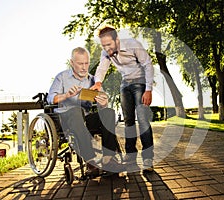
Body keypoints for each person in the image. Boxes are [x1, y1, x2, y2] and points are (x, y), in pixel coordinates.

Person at [47, 47, 123, 175]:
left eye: (86, 63)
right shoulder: (62, 77)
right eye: (80, 64)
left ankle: (108, 159)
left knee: (108, 112)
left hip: (85, 119)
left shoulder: (93, 80)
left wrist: (103, 102)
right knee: (76, 111)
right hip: (66, 118)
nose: (84, 67)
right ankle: (91, 161)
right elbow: (50, 98)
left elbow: (103, 100)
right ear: (72, 63)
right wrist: (66, 95)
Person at [90, 26, 154, 172]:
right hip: (125, 84)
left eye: (109, 44)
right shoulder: (106, 52)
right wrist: (98, 82)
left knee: (142, 119)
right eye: (103, 45)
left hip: (140, 82)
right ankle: (131, 156)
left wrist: (148, 90)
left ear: (116, 40)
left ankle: (148, 159)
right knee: (128, 121)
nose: (106, 48)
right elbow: (101, 68)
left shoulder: (132, 44)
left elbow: (148, 65)